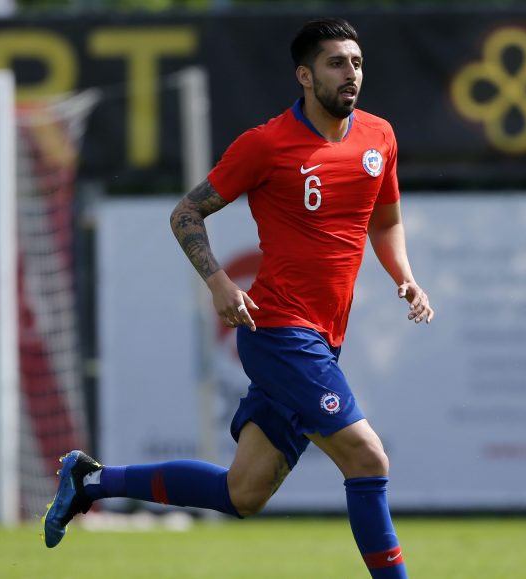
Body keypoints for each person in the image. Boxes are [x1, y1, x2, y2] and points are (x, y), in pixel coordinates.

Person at [43, 17, 432, 579]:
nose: (352, 73)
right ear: (304, 75)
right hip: (279, 333)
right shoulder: (266, 144)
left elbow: (385, 219)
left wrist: (405, 275)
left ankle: (92, 482)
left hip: (324, 339)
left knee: (243, 492)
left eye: (357, 62)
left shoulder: (380, 137)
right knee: (368, 459)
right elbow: (185, 213)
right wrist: (221, 283)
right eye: (336, 63)